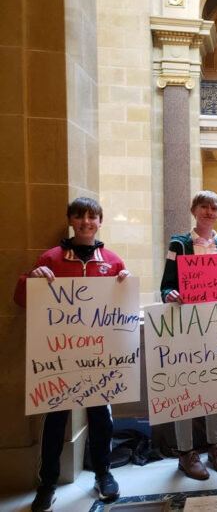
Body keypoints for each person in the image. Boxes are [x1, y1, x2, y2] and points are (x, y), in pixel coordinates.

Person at [14, 198, 129, 512]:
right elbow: (21, 298)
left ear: (100, 221)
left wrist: (124, 285)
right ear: (71, 221)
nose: (86, 222)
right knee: (54, 421)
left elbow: (123, 309)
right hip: (60, 357)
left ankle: (103, 473)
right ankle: (47, 483)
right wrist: (32, 279)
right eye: (80, 217)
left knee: (100, 418)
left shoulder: (113, 261)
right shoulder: (50, 259)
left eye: (92, 217)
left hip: (98, 356)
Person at [160, 190, 217, 480]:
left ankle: (215, 445)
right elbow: (165, 285)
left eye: (214, 208)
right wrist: (168, 294)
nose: (209, 212)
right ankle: (186, 452)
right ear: (193, 210)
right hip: (186, 324)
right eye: (204, 207)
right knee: (182, 385)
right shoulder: (179, 243)